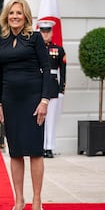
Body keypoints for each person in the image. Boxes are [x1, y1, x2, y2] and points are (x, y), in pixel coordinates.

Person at [0, 0, 50, 210]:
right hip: (10, 101)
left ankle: (37, 200)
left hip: (33, 100)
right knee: (16, 152)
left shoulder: (35, 38)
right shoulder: (1, 41)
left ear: (26, 16)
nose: (15, 16)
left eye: (19, 13)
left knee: (35, 152)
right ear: (6, 16)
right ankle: (19, 199)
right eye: (11, 13)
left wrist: (44, 100)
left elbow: (47, 69)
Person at [38, 20, 66, 158]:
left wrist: (61, 90)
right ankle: (40, 146)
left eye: (47, 31)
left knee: (51, 119)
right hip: (39, 86)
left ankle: (49, 147)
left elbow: (63, 71)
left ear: (52, 32)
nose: (45, 34)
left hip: (53, 87)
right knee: (40, 118)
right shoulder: (35, 48)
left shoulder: (58, 50)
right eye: (43, 31)